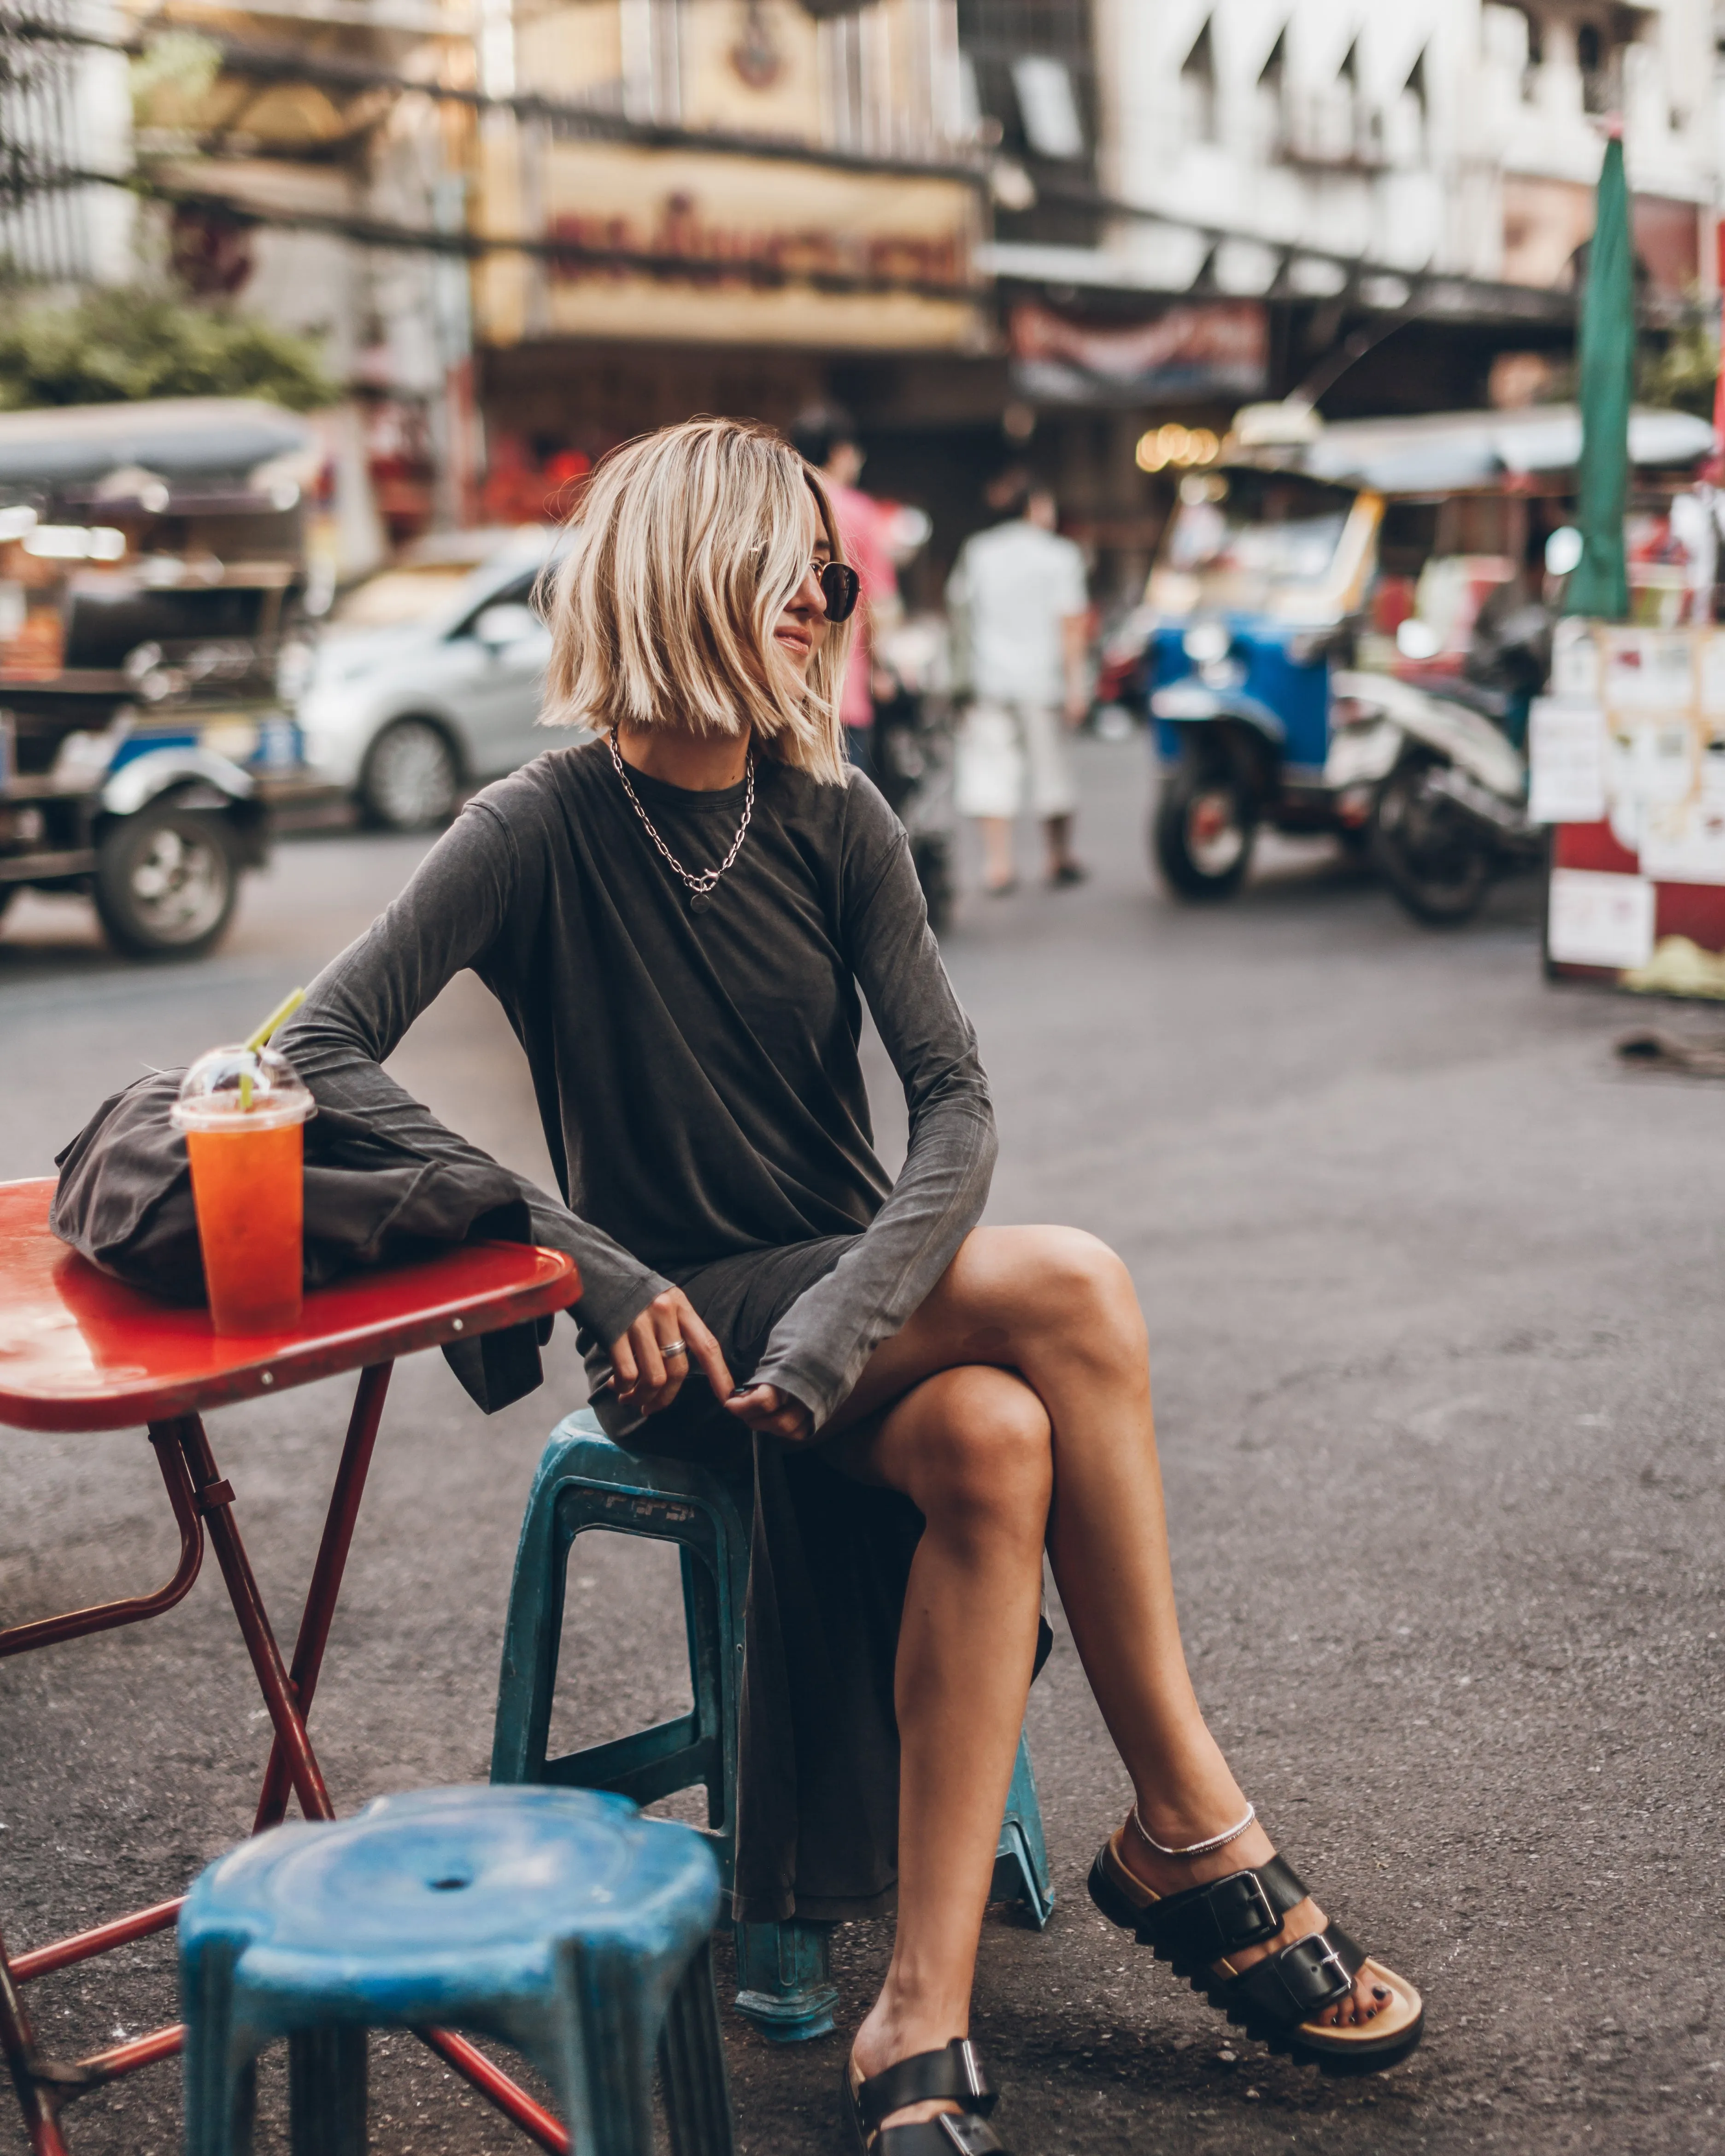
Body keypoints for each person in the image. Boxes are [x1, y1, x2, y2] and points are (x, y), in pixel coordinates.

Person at [278, 418, 1422, 2155]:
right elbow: (311, 1051)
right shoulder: (535, 827)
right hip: (675, 1321)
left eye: (833, 571)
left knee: (991, 1438)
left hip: (841, 1306)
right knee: (1082, 1287)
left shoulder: (833, 814)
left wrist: (846, 1320)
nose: (826, 594)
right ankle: (1187, 1822)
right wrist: (582, 1260)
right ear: (688, 572)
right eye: (792, 565)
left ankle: (921, 2010)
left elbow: (955, 1105)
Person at [947, 476, 1091, 894]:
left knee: (990, 771)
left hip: (988, 679)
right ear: (1035, 507)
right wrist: (1077, 685)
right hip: (1043, 681)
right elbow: (1072, 624)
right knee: (1054, 770)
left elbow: (960, 613)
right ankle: (1059, 856)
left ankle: (999, 864)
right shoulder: (1060, 555)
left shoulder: (978, 552)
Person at [790, 404, 898, 779]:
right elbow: (881, 603)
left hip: (783, 689)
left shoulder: (779, 505)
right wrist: (883, 669)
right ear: (840, 452)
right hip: (844, 690)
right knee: (843, 812)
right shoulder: (858, 511)